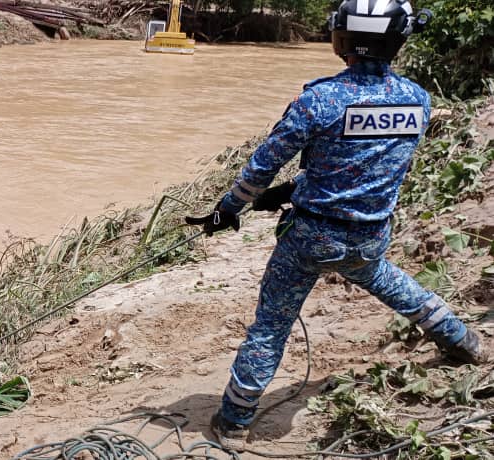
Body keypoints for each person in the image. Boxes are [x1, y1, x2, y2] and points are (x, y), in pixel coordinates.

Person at [184, 1, 488, 450]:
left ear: (340, 38)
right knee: (390, 281)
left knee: (271, 325)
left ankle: (234, 420)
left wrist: (227, 209)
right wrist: (290, 191)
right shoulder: (419, 101)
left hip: (310, 238)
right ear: (398, 40)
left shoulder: (319, 99)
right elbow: (363, 167)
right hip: (370, 236)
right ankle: (461, 340)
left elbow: (259, 169)